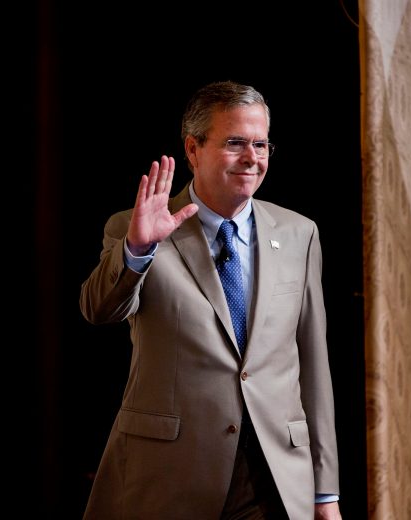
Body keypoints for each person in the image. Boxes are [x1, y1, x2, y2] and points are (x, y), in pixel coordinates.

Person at [79, 80, 342, 520]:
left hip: (274, 476)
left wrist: (325, 493)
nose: (252, 157)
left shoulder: (300, 232)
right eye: (235, 142)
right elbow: (98, 310)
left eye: (261, 144)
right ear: (193, 149)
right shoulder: (136, 227)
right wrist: (138, 250)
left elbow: (313, 365)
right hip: (170, 474)